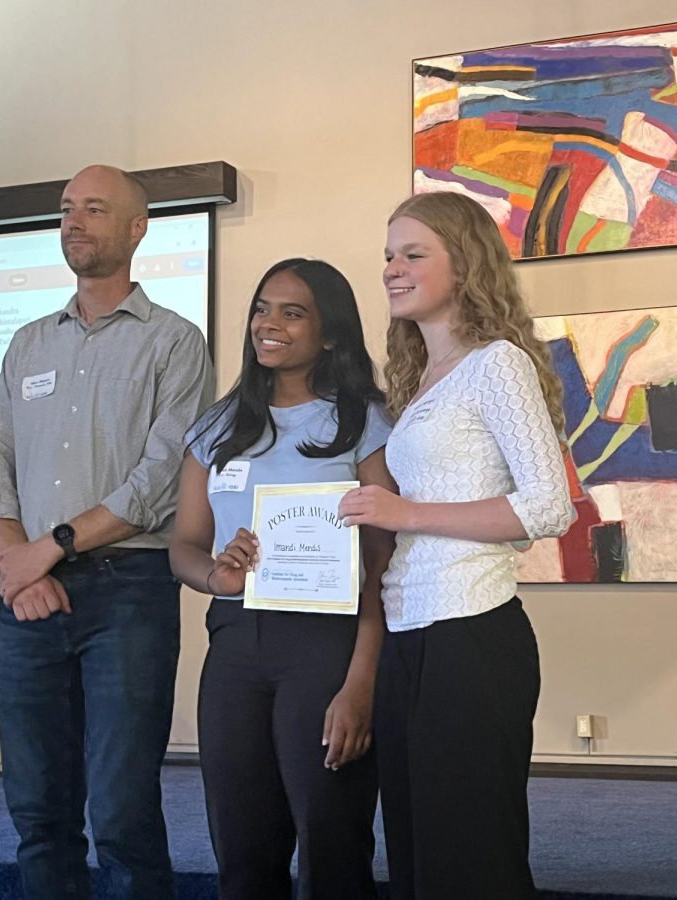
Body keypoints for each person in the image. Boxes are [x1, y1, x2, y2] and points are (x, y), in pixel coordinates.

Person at [0, 164, 213, 900]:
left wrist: (51, 548)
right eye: (67, 209)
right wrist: (21, 564)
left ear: (137, 229)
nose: (74, 221)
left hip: (128, 591)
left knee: (120, 810)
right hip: (27, 598)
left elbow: (159, 476)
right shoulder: (27, 345)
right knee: (38, 813)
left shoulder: (175, 343)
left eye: (95, 209)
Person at [337, 191, 575, 899]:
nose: (392, 269)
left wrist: (404, 512)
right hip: (411, 638)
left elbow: (548, 506)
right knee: (415, 864)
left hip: (471, 637)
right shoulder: (418, 382)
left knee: (470, 866)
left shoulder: (497, 364)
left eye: (414, 254)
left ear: (464, 263)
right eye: (388, 255)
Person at [167, 258, 395, 900]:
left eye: (292, 313)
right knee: (241, 844)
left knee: (331, 842)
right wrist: (216, 576)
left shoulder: (363, 422)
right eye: (262, 308)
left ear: (329, 334)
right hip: (236, 647)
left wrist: (361, 684)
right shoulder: (214, 428)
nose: (269, 324)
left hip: (328, 649)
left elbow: (384, 565)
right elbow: (182, 546)